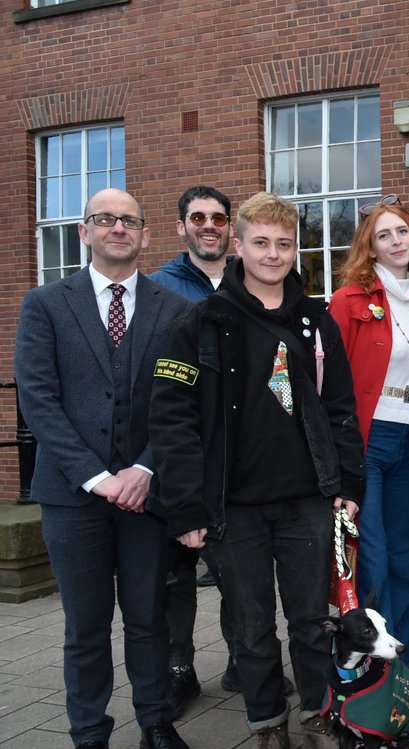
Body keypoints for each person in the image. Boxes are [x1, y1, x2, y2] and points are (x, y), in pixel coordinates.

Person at [148, 192, 365, 749]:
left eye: (285, 243)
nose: (273, 254)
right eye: (261, 242)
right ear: (237, 246)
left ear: (297, 250)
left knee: (309, 622)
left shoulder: (314, 321)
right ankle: (267, 726)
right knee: (250, 625)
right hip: (232, 507)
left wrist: (348, 483)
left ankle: (320, 719)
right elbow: (173, 420)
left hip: (307, 500)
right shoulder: (201, 323)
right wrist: (186, 505)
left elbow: (340, 407)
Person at [15, 188, 195, 749]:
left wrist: (144, 470)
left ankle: (156, 724)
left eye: (129, 221)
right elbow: (38, 401)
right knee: (85, 626)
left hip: (147, 496)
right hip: (73, 496)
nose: (117, 228)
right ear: (85, 233)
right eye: (104, 219)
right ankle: (88, 739)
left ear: (146, 235)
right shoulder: (45, 305)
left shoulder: (173, 310)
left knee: (148, 619)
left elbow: (179, 403)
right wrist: (97, 477)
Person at [329, 198, 409, 666]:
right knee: (371, 558)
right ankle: (370, 668)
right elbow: (329, 384)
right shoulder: (349, 300)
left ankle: (404, 670)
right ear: (369, 249)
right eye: (384, 235)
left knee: (403, 558)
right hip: (366, 444)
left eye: (403, 232)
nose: (396, 241)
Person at [147, 186, 243, 719]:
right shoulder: (157, 289)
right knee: (176, 573)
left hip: (232, 462)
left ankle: (243, 660)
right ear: (180, 225)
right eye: (198, 217)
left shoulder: (248, 282)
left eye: (218, 218)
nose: (209, 225)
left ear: (231, 228)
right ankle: (180, 670)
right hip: (176, 459)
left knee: (238, 573)